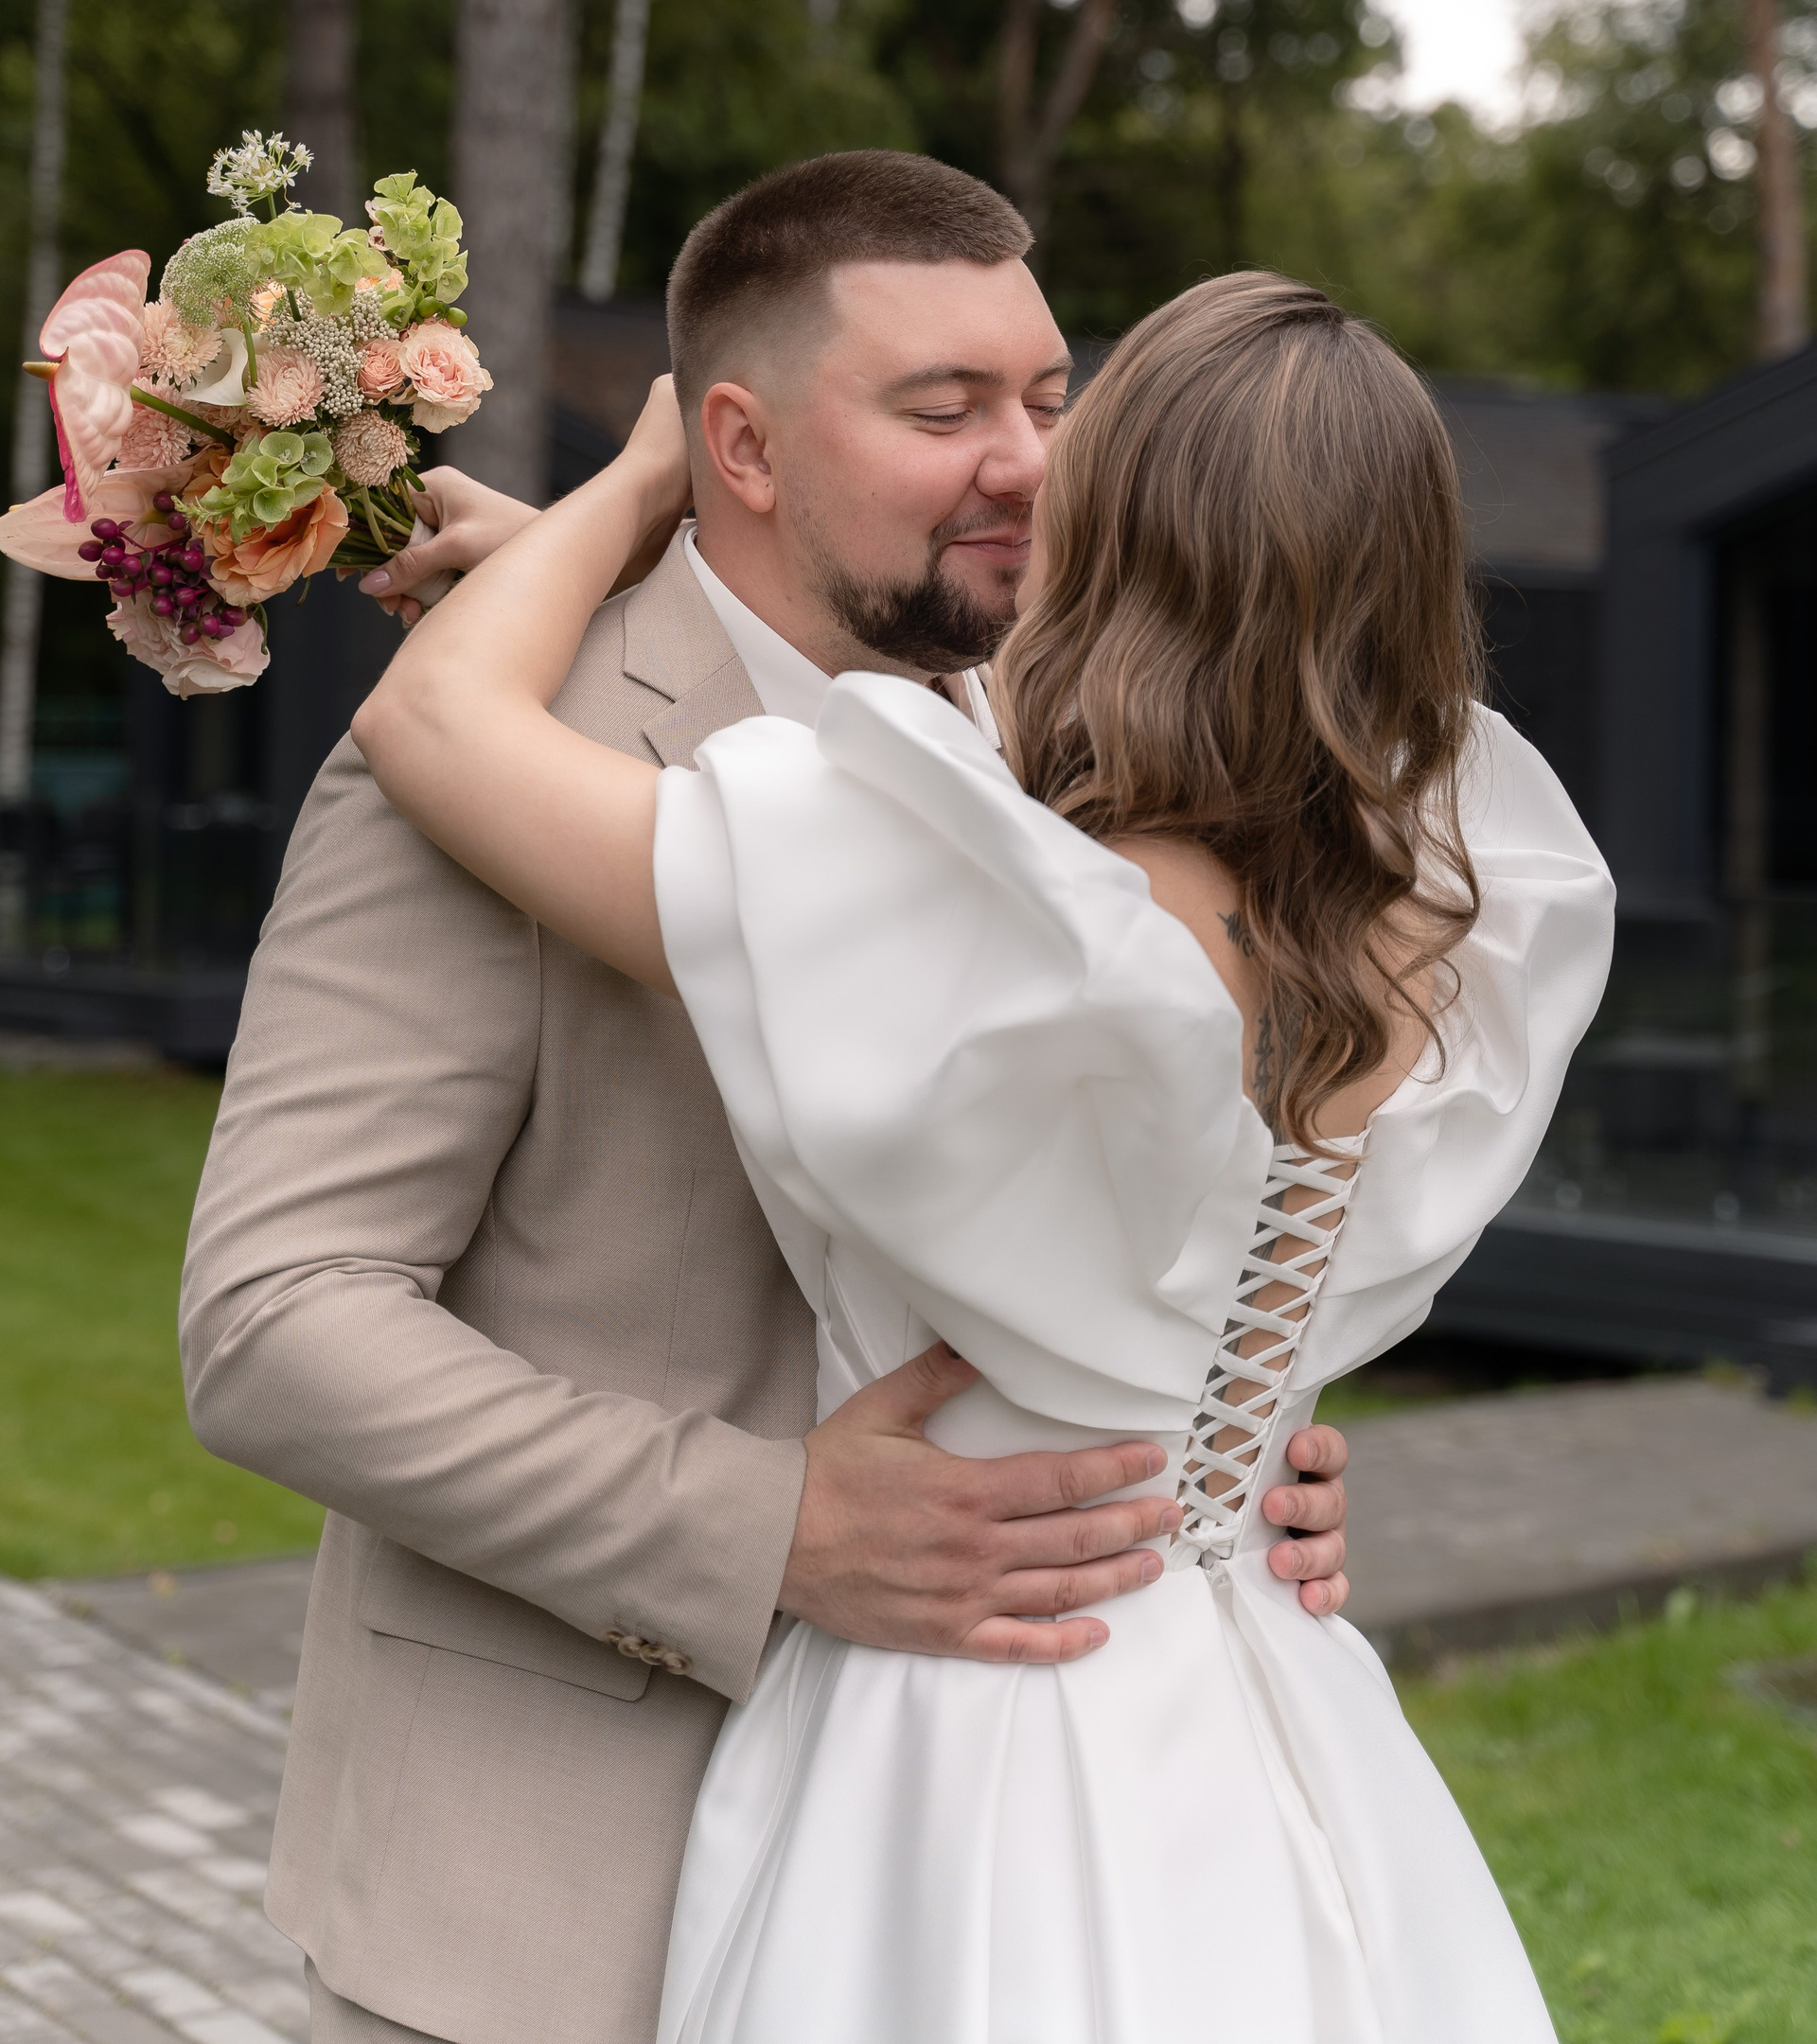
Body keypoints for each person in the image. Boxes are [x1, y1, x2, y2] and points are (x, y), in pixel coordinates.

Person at [352, 263, 1615, 2042]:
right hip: (1263, 1683)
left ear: (1119, 538)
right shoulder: (1454, 908)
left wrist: (641, 482)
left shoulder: (987, 909)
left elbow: (433, 723)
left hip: (979, 1720)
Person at [179, 153, 1352, 2044]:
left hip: (977, 1896)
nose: (1030, 463)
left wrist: (1225, 1445)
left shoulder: (1073, 762)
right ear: (738, 443)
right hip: (554, 1910)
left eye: (1050, 399)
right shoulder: (489, 765)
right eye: (943, 409)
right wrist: (770, 1527)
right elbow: (273, 1324)